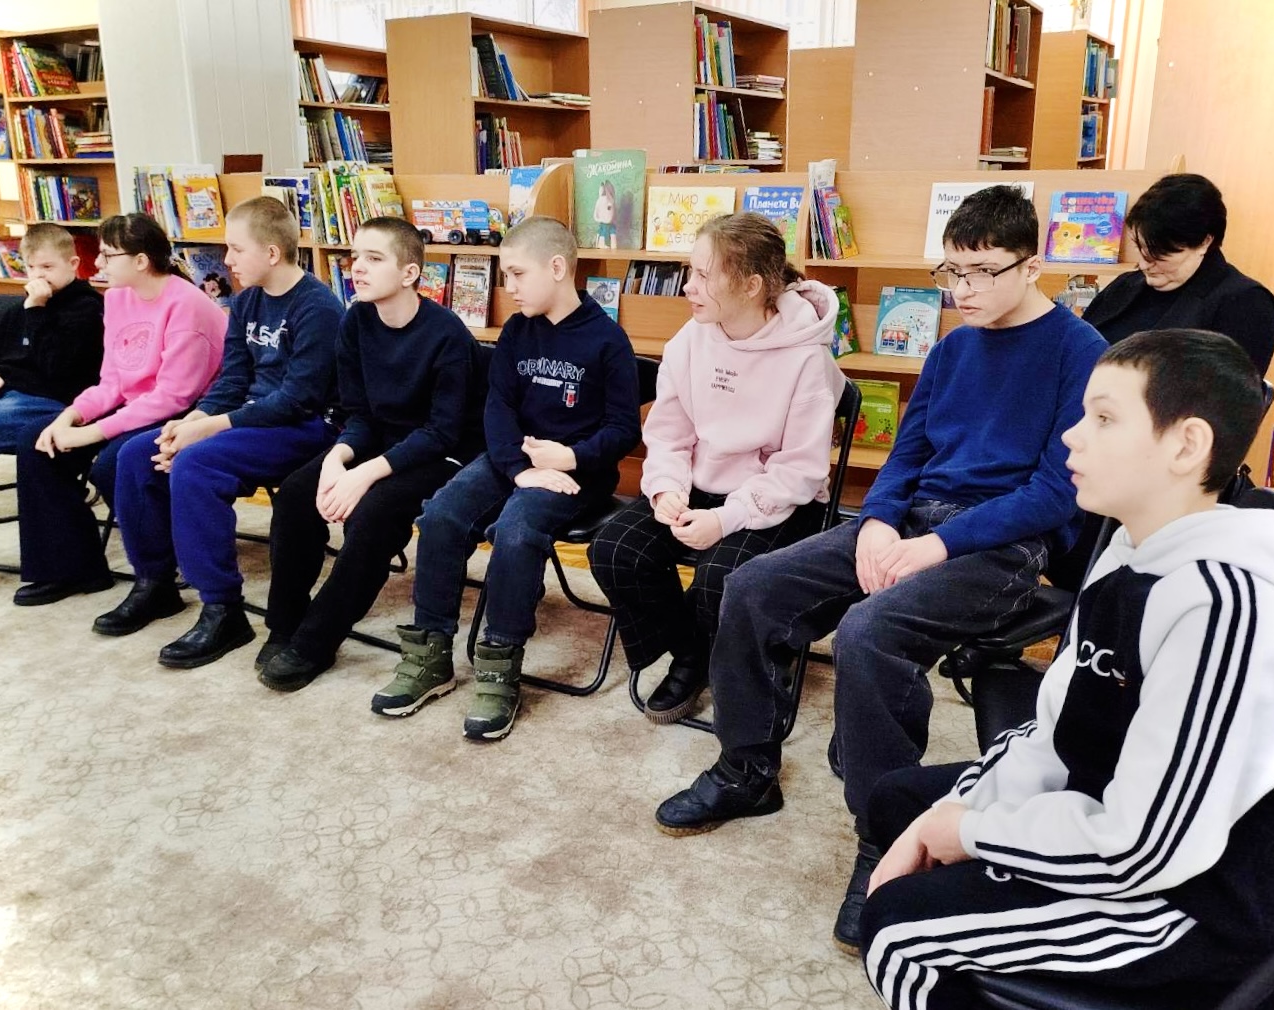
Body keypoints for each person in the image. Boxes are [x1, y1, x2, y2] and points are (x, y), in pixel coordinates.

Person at [652, 186, 1108, 954]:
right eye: (950, 272)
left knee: (868, 633)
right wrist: (879, 521)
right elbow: (907, 452)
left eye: (981, 272)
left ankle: (883, 834)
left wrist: (936, 545)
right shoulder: (953, 346)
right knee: (752, 585)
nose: (961, 291)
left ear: (1031, 267)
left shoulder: (1079, 351)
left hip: (1002, 544)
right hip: (912, 519)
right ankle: (745, 770)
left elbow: (1054, 494)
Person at [859, 329, 1274, 1010]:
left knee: (900, 933)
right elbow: (1054, 734)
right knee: (898, 803)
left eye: (1104, 419)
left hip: (1191, 900)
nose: (1071, 438)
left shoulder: (1222, 603)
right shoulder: (1125, 551)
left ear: (1186, 446)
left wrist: (968, 833)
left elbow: (1146, 849)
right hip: (1114, 809)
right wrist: (952, 815)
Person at [370, 216, 639, 741]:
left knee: (516, 532)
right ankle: (430, 656)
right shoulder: (517, 331)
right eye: (503, 275)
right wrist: (520, 468)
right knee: (441, 516)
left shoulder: (608, 340)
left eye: (517, 274)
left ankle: (498, 667)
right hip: (512, 460)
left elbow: (623, 429)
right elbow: (498, 409)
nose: (508, 286)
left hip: (574, 472)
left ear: (557, 267)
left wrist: (570, 458)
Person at [587, 212, 845, 723]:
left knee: (721, 578)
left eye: (704, 275)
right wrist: (665, 489)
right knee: (615, 550)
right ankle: (695, 651)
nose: (689, 286)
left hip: (777, 500)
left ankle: (726, 658)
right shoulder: (690, 338)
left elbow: (800, 472)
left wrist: (726, 519)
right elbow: (669, 433)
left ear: (752, 286)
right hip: (700, 485)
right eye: (691, 271)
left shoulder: (806, 359)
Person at [94, 197, 342, 669]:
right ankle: (155, 583)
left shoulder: (318, 308)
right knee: (136, 453)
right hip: (248, 419)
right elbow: (231, 381)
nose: (226, 260)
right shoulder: (245, 301)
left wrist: (208, 429)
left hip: (305, 427)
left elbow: (298, 400)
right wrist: (190, 421)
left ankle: (223, 608)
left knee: (196, 463)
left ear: (272, 253)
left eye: (236, 249)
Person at [258, 217, 481, 691]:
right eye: (355, 256)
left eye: (374, 258)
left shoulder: (448, 335)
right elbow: (358, 414)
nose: (357, 267)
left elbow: (442, 433)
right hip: (380, 442)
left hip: (441, 455)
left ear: (410, 273)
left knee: (373, 512)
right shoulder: (356, 320)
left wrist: (365, 475)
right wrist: (337, 458)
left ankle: (316, 641)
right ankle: (285, 624)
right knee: (297, 492)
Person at [12, 213, 226, 607]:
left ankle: (159, 573)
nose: (97, 263)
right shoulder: (117, 298)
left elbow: (174, 397)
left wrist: (91, 432)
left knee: (115, 461)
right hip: (135, 405)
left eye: (108, 255)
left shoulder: (187, 304)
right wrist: (69, 417)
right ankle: (72, 568)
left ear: (141, 261)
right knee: (37, 441)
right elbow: (111, 380)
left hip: (187, 411)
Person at [0, 223, 104, 597]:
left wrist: (37, 310)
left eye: (47, 267)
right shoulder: (17, 309)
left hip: (49, 400)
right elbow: (4, 358)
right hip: (4, 391)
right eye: (31, 268)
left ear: (74, 264)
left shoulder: (86, 308)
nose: (38, 277)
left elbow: (58, 367)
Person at [1083, 173, 1274, 375]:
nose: (1144, 264)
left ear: (1204, 242)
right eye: (1140, 248)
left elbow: (1230, 391)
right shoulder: (1126, 286)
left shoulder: (1245, 303)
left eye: (1160, 254)